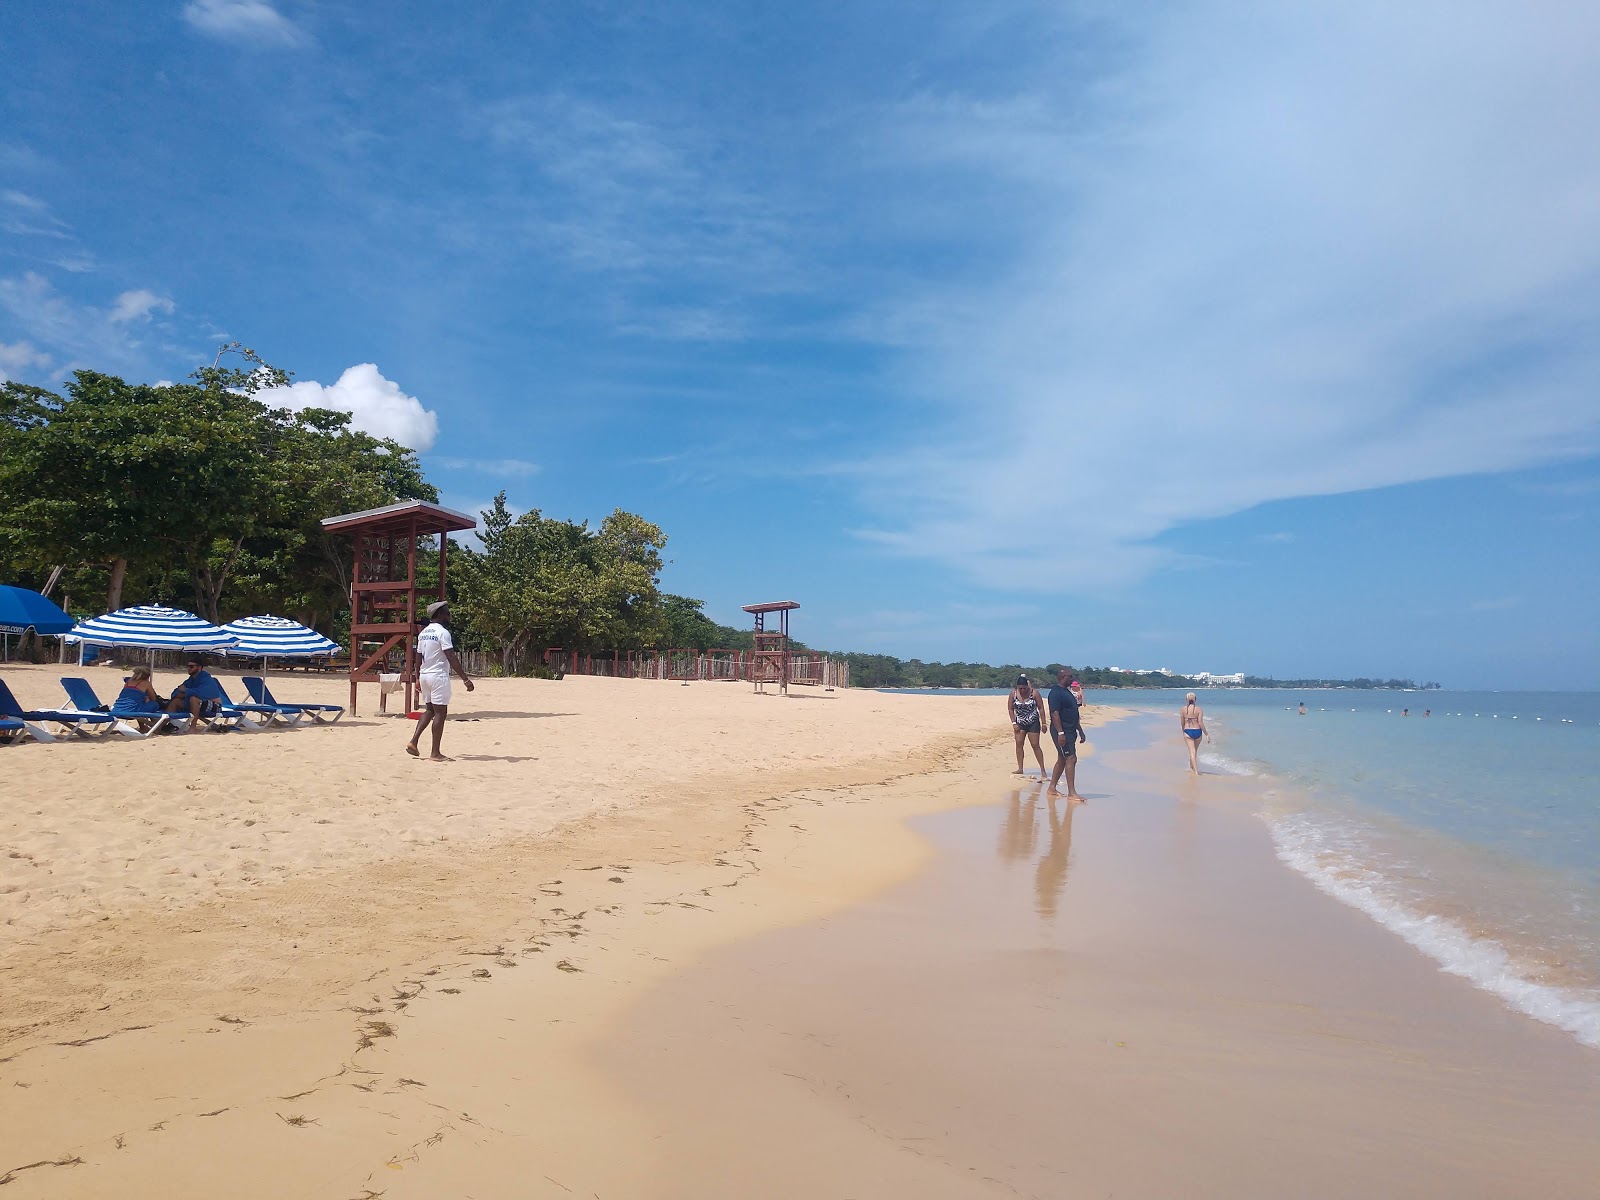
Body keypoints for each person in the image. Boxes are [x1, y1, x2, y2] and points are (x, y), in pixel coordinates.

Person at [407, 600, 475, 761]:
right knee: (440, 713)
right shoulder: (442, 633)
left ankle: (414, 741)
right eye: (446, 612)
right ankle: (435, 753)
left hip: (425, 675)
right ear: (440, 614)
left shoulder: (423, 633)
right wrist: (465, 679)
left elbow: (418, 656)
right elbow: (450, 656)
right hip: (438, 676)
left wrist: (417, 677)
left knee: (430, 710)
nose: (449, 615)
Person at [1047, 666, 1087, 802]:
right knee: (1071, 758)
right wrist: (1060, 733)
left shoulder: (1067, 692)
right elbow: (1055, 713)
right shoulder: (1055, 692)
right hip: (1061, 731)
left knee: (1062, 758)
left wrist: (1080, 731)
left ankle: (1052, 788)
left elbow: (1074, 714)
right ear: (1063, 677)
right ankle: (1072, 792)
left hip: (1071, 730)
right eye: (1070, 676)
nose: (1072, 678)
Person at [1007, 674, 1048, 777]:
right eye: (1020, 688)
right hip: (1020, 722)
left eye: (1024, 688)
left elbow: (1041, 708)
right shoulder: (1013, 694)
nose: (1022, 690)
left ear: (1027, 686)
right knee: (1019, 743)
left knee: (1035, 745)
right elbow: (1010, 709)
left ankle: (1043, 769)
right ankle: (1020, 768)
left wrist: (1044, 723)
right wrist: (1014, 723)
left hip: (1033, 721)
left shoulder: (1034, 693)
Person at [169, 656, 225, 730]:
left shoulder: (207, 679)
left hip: (215, 706)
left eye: (191, 666)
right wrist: (183, 693)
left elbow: (202, 694)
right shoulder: (190, 680)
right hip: (198, 704)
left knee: (193, 699)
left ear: (199, 668)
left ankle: (193, 728)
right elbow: (174, 694)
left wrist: (186, 691)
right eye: (188, 666)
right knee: (175, 701)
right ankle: (162, 725)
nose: (188, 668)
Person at [113, 666, 170, 731]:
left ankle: (145, 726)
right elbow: (153, 698)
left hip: (117, 709)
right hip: (132, 711)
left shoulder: (128, 682)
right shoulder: (146, 683)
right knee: (154, 704)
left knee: (138, 704)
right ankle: (152, 725)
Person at [1179, 691, 1209, 774]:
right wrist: (1206, 734)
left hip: (1188, 731)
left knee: (1192, 752)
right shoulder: (1199, 709)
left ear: (1186, 699)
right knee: (1194, 751)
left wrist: (1183, 731)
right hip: (1198, 731)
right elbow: (1200, 723)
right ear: (1195, 699)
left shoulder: (1183, 709)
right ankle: (1191, 768)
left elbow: (1182, 722)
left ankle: (1196, 771)